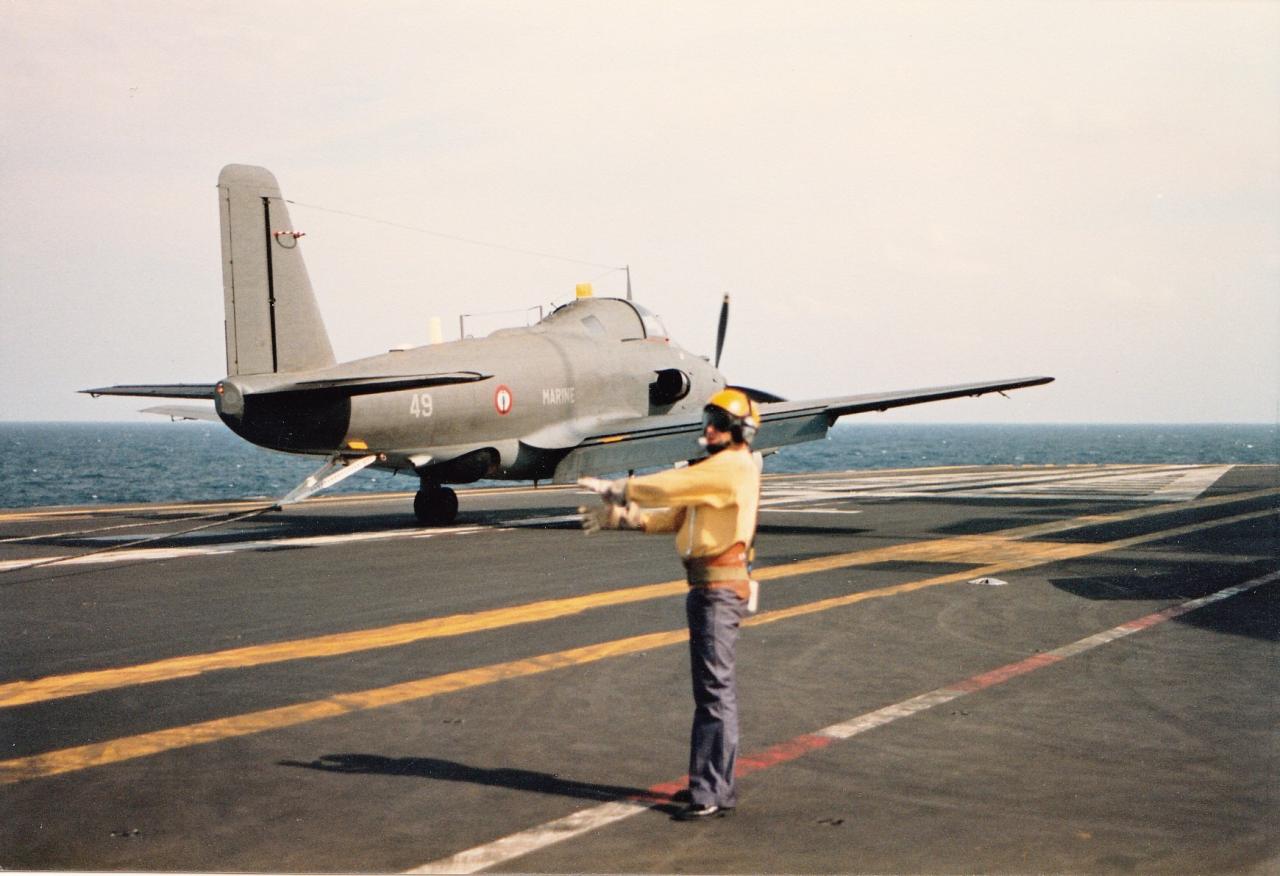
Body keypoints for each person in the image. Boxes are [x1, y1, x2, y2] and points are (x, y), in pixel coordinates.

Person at [579, 388, 762, 820]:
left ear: (738, 431)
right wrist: (618, 517)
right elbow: (676, 514)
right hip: (705, 589)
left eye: (718, 424)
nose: (709, 430)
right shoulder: (716, 473)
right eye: (707, 422)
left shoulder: (733, 468)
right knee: (710, 693)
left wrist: (621, 488)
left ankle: (712, 793)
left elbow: (672, 486)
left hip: (718, 590)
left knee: (715, 693)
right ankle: (709, 785)